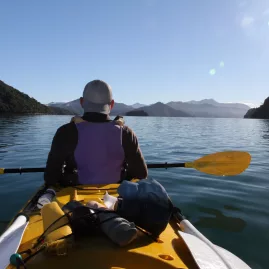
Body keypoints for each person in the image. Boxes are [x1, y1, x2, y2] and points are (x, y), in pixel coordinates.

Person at [44, 79, 148, 186]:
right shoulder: (126, 133)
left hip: (75, 196)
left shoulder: (65, 132)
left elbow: (51, 177)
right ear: (112, 104)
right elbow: (141, 174)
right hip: (115, 196)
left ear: (82, 102)